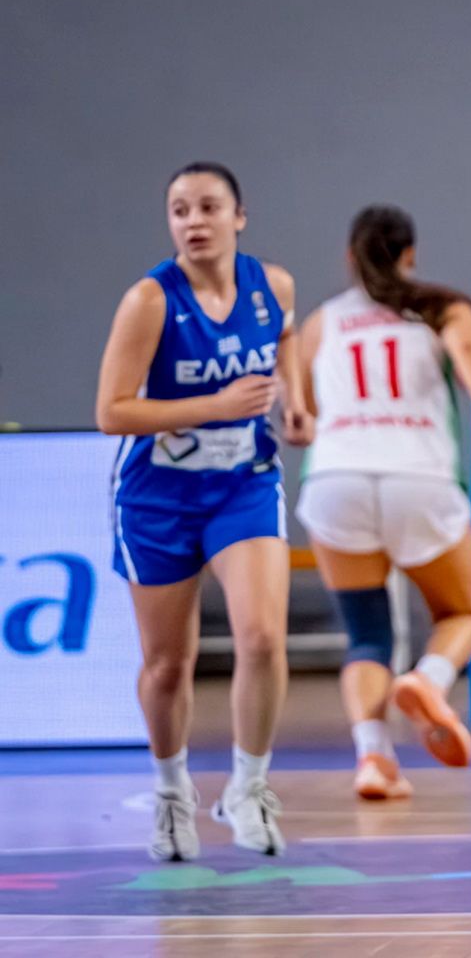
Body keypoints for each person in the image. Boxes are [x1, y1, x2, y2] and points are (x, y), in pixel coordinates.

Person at [96, 162, 312, 861]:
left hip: (242, 484)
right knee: (168, 664)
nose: (193, 221)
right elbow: (112, 412)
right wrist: (214, 405)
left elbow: (286, 336)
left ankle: (248, 787)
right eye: (180, 210)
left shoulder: (272, 286)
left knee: (263, 639)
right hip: (157, 497)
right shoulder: (149, 301)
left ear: (238, 217)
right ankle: (171, 792)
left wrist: (296, 398)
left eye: (208, 207)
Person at [294, 205, 471, 800]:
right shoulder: (442, 307)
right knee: (461, 613)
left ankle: (373, 757)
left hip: (336, 480)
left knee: (366, 634)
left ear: (350, 257)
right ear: (410, 256)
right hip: (416, 476)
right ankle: (429, 679)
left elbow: (301, 409)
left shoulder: (322, 322)